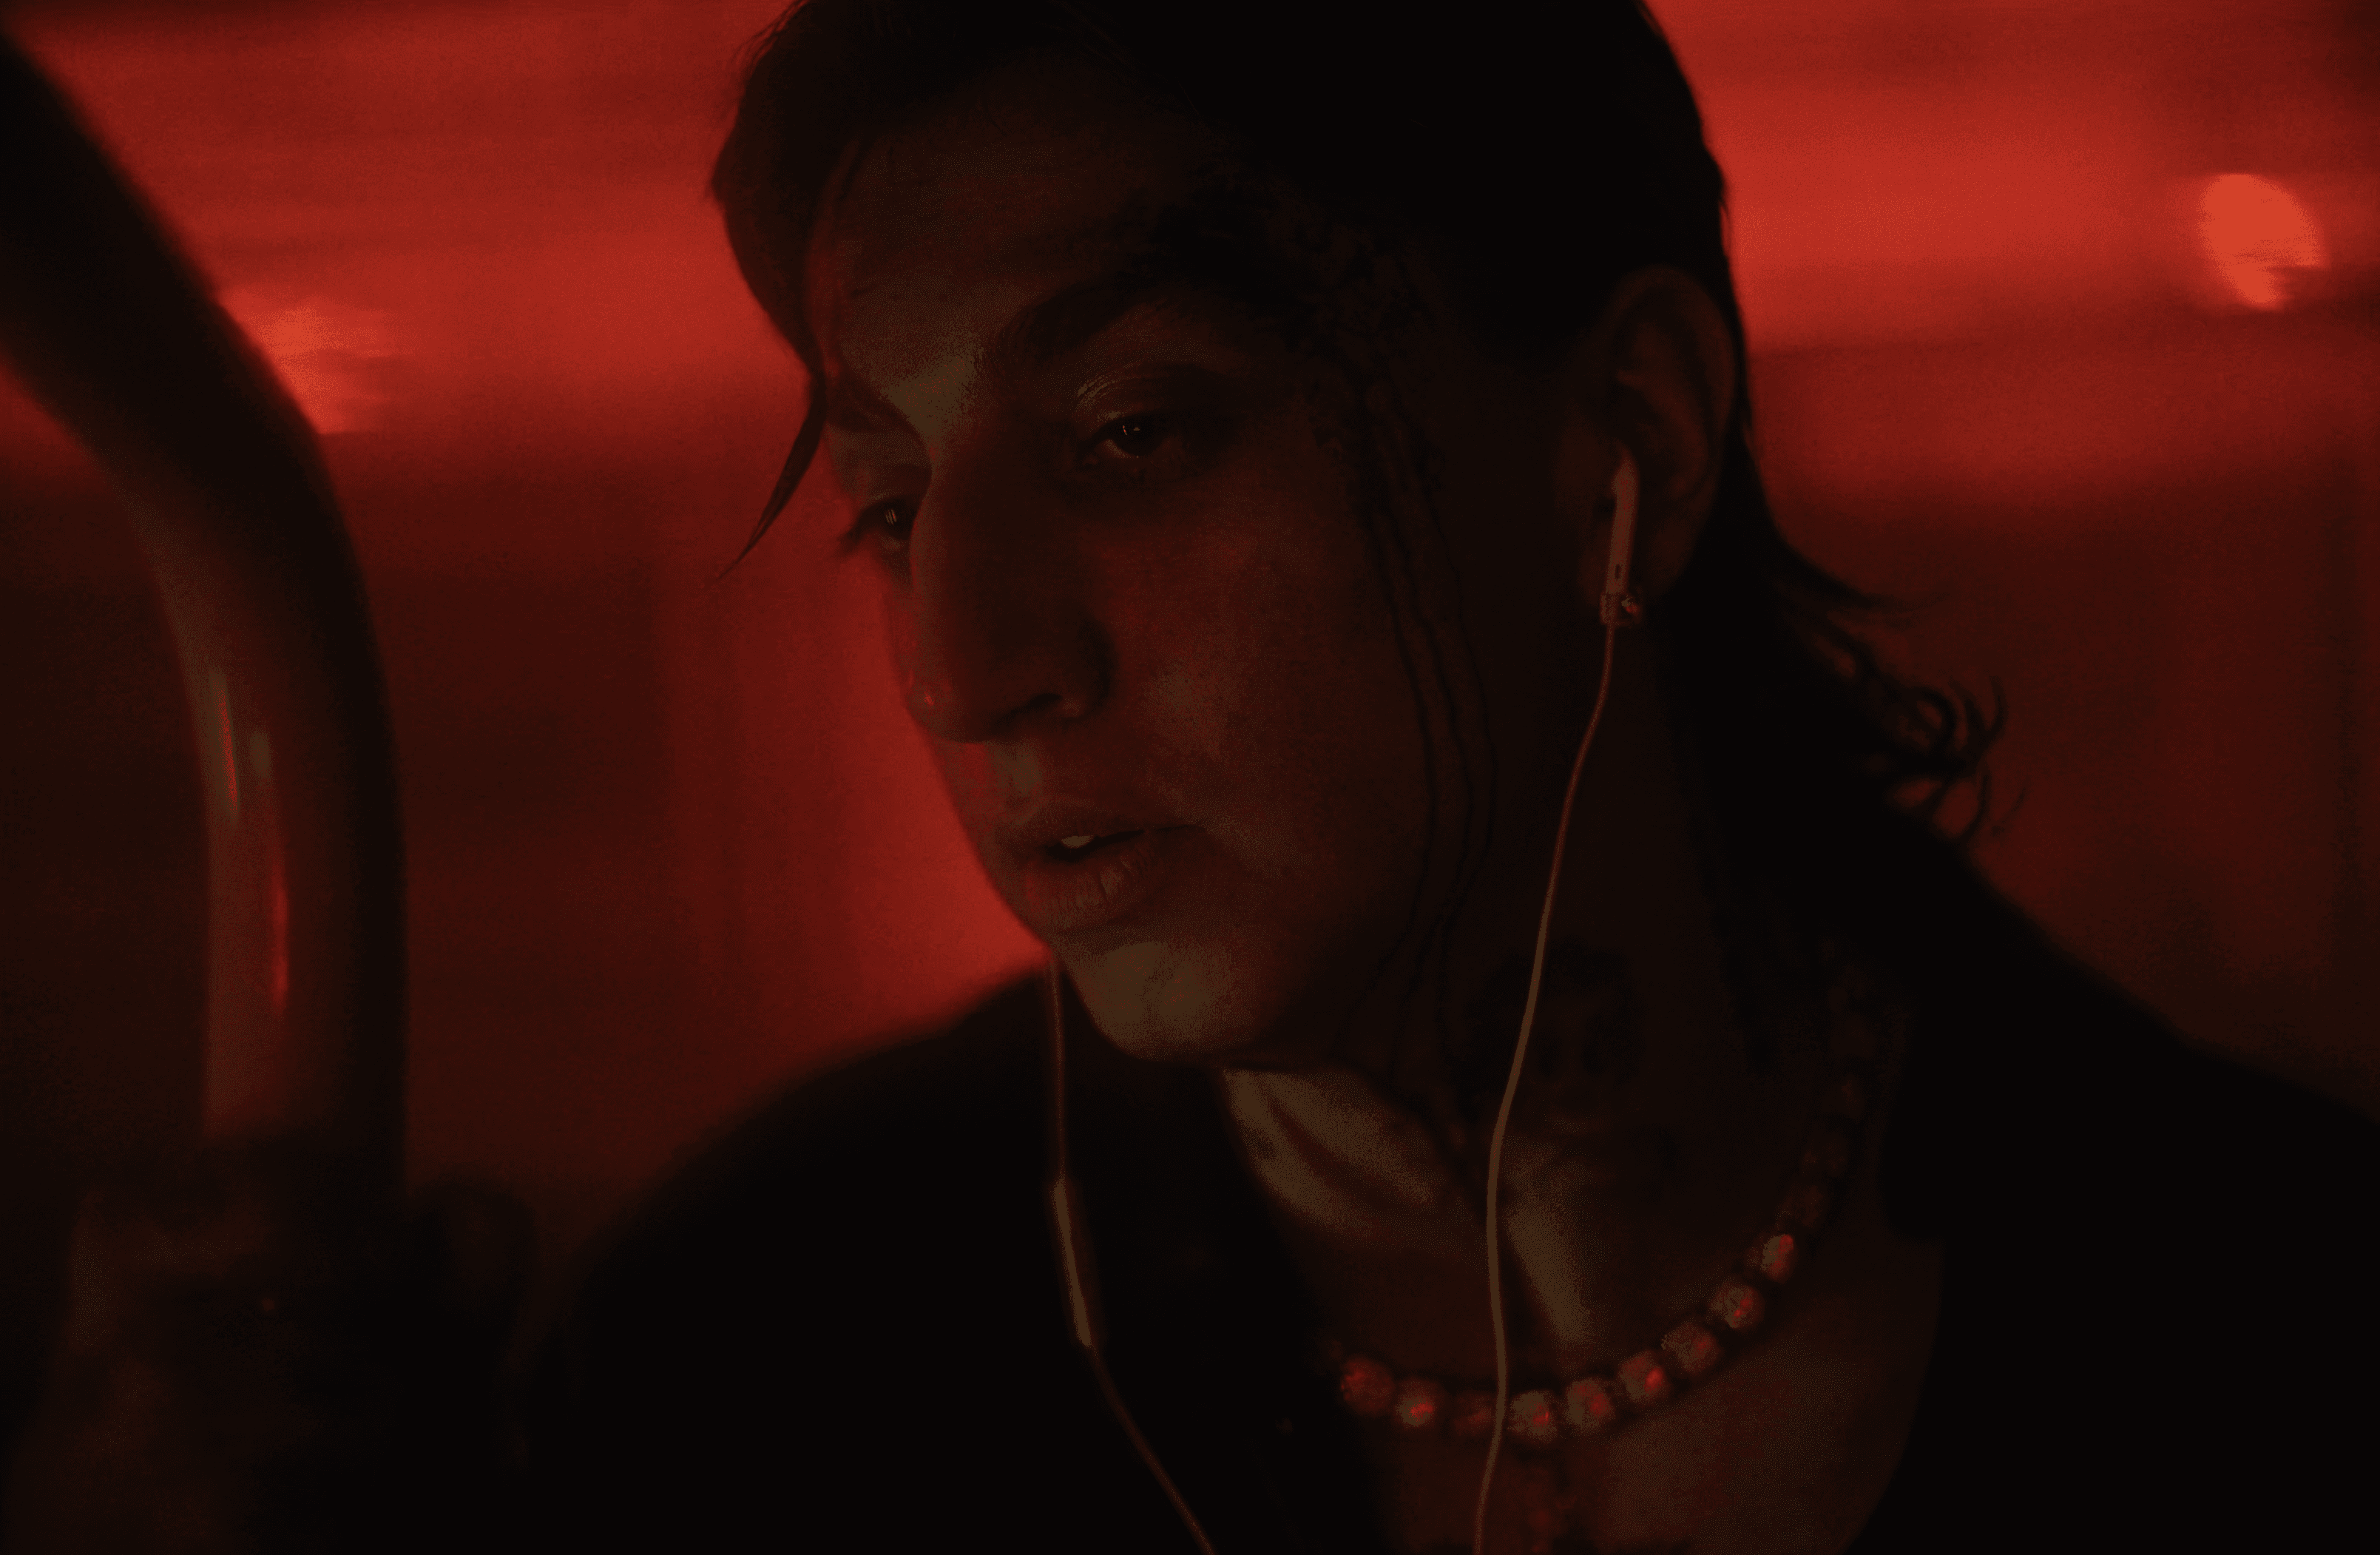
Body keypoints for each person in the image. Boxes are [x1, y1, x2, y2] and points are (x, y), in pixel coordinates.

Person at [508, 3, 2380, 1553]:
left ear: (1628, 439)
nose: (961, 669)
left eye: (1134, 432)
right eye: (892, 506)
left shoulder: (2265, 1346)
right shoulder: (746, 1372)